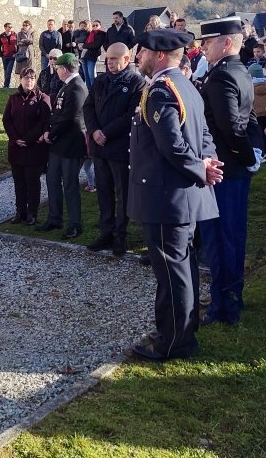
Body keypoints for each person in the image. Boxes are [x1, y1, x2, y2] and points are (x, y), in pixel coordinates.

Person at [127, 28, 221, 361]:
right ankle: (181, 330)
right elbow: (204, 136)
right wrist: (207, 162)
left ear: (160, 55)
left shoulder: (161, 90)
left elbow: (172, 146)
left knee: (171, 271)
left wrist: (201, 168)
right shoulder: (185, 85)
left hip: (167, 196)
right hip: (180, 196)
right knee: (182, 266)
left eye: (143, 51)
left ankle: (174, 341)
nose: (139, 57)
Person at [197, 17, 260, 326]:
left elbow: (232, 127)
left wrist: (248, 156)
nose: (203, 48)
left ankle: (224, 307)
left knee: (221, 239)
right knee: (231, 235)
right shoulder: (238, 70)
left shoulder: (221, 76)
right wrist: (255, 152)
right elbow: (250, 119)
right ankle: (230, 295)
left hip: (224, 169)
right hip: (234, 168)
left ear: (225, 42)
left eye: (207, 42)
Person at [83, 43, 147, 255]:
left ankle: (120, 235)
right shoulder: (101, 80)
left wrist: (106, 132)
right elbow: (88, 106)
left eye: (114, 59)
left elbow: (131, 115)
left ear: (126, 60)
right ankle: (106, 232)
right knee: (104, 192)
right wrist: (94, 131)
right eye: (108, 58)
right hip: (99, 146)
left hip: (119, 147)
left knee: (122, 194)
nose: (109, 63)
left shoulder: (136, 82)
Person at [39, 53, 89, 238]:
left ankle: (75, 224)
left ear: (65, 69)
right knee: (52, 180)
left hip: (70, 144)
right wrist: (49, 131)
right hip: (58, 143)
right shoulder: (67, 86)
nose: (57, 71)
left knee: (70, 185)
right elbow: (56, 113)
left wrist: (51, 134)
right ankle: (55, 218)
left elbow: (69, 117)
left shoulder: (77, 88)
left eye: (58, 68)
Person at [2, 67, 51, 225]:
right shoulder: (13, 98)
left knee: (32, 182)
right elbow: (6, 120)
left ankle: (32, 212)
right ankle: (20, 211)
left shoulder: (42, 98)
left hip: (34, 148)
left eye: (32, 78)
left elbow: (44, 122)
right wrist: (15, 138)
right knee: (19, 182)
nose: (29, 80)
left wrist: (28, 139)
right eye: (26, 77)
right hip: (16, 148)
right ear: (20, 79)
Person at [0, 22, 18, 88]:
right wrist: (1, 54)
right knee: (6, 70)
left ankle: (6, 85)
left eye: (11, 27)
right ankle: (6, 85)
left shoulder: (15, 34)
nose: (10, 28)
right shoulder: (2, 35)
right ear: (5, 28)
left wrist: (16, 53)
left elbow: (18, 45)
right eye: (9, 27)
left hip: (12, 55)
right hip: (5, 55)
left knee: (9, 70)